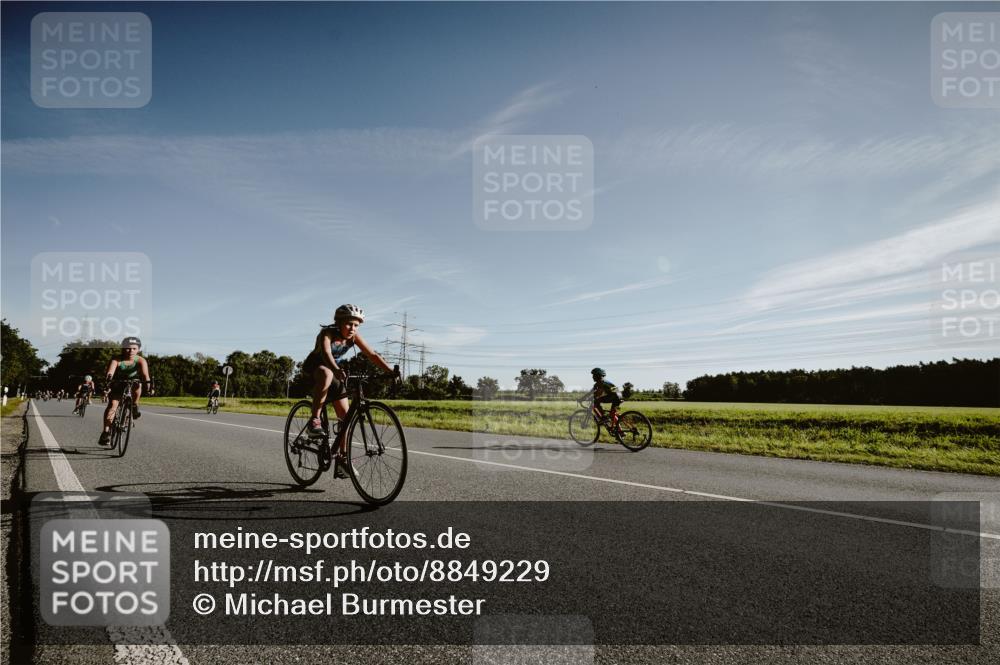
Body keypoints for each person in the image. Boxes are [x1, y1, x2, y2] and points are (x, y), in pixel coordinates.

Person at [302, 304, 399, 478]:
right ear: (338, 322)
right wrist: (336, 369)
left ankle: (342, 460)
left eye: (356, 325)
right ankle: (314, 421)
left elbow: (373, 355)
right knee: (327, 372)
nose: (352, 328)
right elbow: (326, 353)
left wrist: (390, 371)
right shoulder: (327, 334)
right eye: (349, 324)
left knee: (345, 418)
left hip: (334, 371)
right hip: (315, 369)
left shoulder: (354, 337)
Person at [98, 336, 154, 447]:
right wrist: (107, 384)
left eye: (134, 348)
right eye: (128, 348)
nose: (131, 351)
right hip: (118, 383)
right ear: (123, 349)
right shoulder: (116, 360)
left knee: (139, 384)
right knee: (113, 405)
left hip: (133, 384)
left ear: (138, 349)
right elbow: (110, 373)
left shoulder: (141, 360)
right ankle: (106, 432)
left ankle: (134, 405)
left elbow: (145, 376)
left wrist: (150, 388)